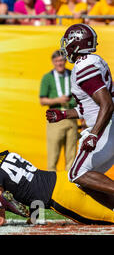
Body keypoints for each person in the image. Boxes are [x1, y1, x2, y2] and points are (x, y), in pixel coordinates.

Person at [46, 23, 114, 210]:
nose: (65, 45)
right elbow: (91, 106)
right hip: (107, 124)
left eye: (68, 41)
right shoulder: (92, 60)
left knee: (77, 173)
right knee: (84, 179)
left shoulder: (83, 64)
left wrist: (93, 135)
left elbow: (106, 103)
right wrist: (64, 114)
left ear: (76, 43)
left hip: (105, 127)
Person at [0, 145, 114, 225]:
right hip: (63, 178)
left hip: (62, 197)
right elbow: (32, 186)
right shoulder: (7, 156)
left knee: (110, 218)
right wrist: (34, 218)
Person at [39, 50, 78, 172]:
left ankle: (70, 185)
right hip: (55, 117)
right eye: (56, 61)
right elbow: (42, 100)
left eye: (61, 60)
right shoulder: (47, 77)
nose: (59, 63)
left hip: (71, 116)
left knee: (72, 155)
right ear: (53, 62)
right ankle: (51, 187)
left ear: (65, 60)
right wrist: (58, 99)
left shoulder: (73, 75)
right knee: (53, 155)